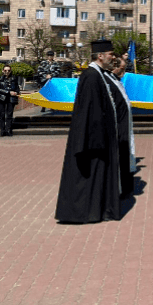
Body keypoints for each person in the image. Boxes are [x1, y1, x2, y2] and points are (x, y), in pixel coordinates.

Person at [55, 40, 123, 223]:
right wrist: (94, 139)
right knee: (87, 177)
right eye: (111, 54)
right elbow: (88, 110)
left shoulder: (99, 74)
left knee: (97, 177)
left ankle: (96, 211)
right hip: (92, 139)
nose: (113, 57)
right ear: (100, 56)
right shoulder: (91, 76)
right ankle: (84, 212)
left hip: (99, 137)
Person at [105, 56, 135, 198]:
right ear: (114, 67)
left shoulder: (116, 80)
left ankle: (126, 185)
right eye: (122, 68)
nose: (124, 72)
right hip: (117, 128)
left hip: (125, 127)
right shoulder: (108, 81)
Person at [0, 64, 20, 137]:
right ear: (3, 71)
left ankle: (8, 130)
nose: (7, 72)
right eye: (5, 70)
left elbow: (17, 88)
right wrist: (9, 92)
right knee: (2, 114)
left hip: (11, 99)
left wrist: (17, 92)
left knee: (9, 114)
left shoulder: (14, 78)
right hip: (1, 98)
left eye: (8, 70)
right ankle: (2, 131)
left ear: (10, 71)